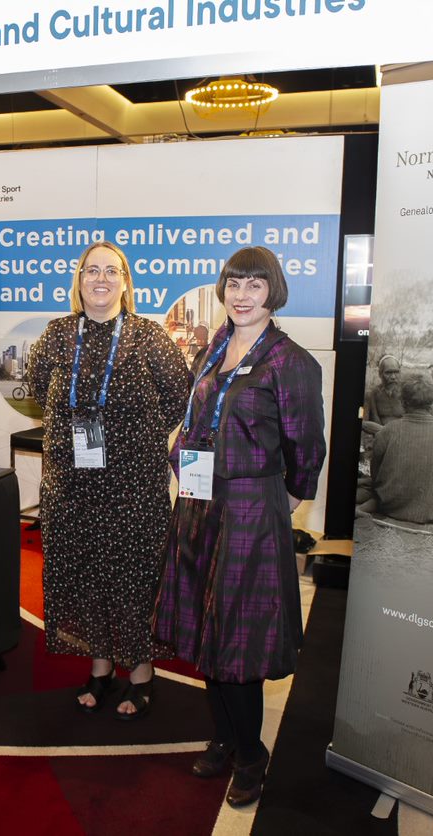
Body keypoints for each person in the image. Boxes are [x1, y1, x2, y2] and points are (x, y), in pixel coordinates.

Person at [153, 246, 326, 808]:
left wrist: (282, 500)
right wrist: (183, 455)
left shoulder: (292, 362)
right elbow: (197, 417)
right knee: (207, 630)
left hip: (250, 513)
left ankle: (252, 754)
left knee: (237, 640)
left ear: (272, 291)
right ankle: (227, 737)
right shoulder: (215, 346)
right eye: (234, 283)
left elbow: (307, 449)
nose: (242, 294)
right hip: (201, 506)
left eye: (255, 284)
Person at [26, 241, 191, 720]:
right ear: (79, 281)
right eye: (91, 271)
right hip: (70, 483)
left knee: (134, 577)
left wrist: (134, 440)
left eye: (110, 271)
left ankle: (141, 675)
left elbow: (178, 397)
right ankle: (100, 669)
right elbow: (39, 388)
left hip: (132, 486)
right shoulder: (58, 334)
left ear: (125, 282)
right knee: (85, 575)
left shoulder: (147, 336)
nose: (101, 279)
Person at [363, 375, 433, 523]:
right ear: (432, 403)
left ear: (402, 402)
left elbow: (376, 475)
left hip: (391, 507)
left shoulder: (386, 431)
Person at [362, 354, 403, 433]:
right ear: (380, 374)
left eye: (396, 372)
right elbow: (363, 421)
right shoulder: (371, 394)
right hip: (380, 437)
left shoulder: (407, 393)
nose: (393, 377)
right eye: (388, 373)